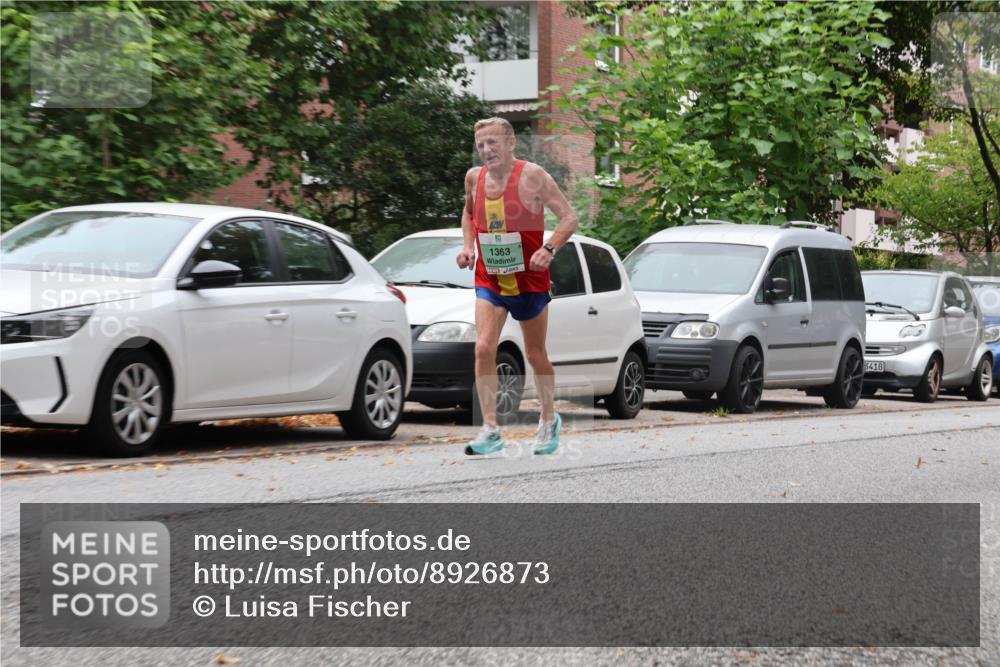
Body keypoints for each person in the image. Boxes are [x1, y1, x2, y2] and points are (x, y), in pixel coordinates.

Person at [456, 117, 579, 456]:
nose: (486, 150)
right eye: (481, 145)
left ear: (511, 144)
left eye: (492, 143)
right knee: (483, 347)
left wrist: (549, 248)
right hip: (490, 278)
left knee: (536, 355)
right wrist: (468, 247)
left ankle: (548, 418)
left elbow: (569, 218)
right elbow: (468, 214)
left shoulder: (533, 176)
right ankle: (490, 429)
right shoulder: (474, 178)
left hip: (529, 279)